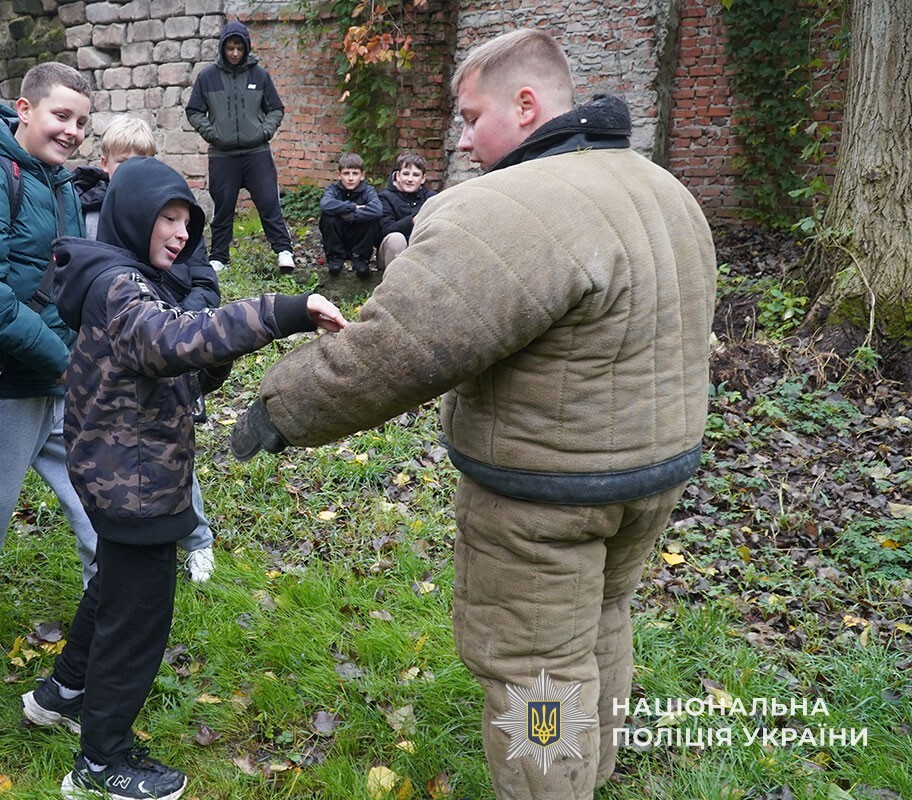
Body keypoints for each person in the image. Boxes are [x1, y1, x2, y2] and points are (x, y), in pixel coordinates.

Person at [229, 29, 716, 800]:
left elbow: (398, 348)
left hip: (546, 495)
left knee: (537, 672)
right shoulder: (661, 188)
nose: (460, 140)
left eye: (470, 117)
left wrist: (282, 407)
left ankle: (553, 787)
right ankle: (591, 771)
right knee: (602, 618)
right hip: (656, 472)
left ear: (525, 105)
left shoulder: (516, 206)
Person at [23, 155, 347, 800]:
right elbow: (169, 344)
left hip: (126, 472)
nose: (180, 233)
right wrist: (283, 311)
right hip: (136, 481)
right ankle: (101, 763)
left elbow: (175, 373)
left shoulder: (127, 279)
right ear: (133, 214)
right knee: (138, 621)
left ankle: (61, 694)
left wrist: (213, 355)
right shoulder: (120, 285)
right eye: (167, 218)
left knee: (115, 590)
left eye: (187, 222)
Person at [0, 62, 97, 608]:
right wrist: (60, 360)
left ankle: (109, 620)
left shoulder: (59, 180)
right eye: (61, 116)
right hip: (4, 387)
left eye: (81, 122)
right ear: (24, 110)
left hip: (60, 377)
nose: (72, 132)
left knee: (102, 498)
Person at [73, 115, 220, 582]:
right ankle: (107, 567)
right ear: (105, 164)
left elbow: (204, 282)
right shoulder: (95, 226)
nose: (180, 232)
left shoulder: (174, 223)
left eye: (144, 161)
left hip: (174, 350)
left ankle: (195, 539)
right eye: (124, 162)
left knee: (171, 453)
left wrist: (183, 322)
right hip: (126, 370)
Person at [185, 20, 295, 273]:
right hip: (222, 155)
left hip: (257, 153)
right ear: (222, 48)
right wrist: (212, 134)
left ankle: (284, 251)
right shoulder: (207, 77)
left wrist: (264, 132)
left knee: (269, 202)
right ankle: (219, 258)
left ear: (246, 48)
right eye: (230, 48)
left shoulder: (259, 75)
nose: (235, 53)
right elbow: (194, 111)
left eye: (239, 48)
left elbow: (276, 109)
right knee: (223, 207)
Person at [318, 152, 382, 278]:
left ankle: (360, 258)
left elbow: (377, 210)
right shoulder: (333, 189)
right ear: (339, 175)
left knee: (371, 219)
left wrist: (350, 216)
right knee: (328, 216)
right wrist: (353, 207)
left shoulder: (368, 191)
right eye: (346, 173)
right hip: (338, 236)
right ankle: (335, 257)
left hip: (359, 237)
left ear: (362, 175)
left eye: (355, 173)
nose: (351, 178)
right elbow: (325, 204)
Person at [376, 151, 435, 272]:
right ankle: (396, 282)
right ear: (398, 176)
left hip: (421, 251)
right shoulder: (385, 197)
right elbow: (386, 230)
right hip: (390, 252)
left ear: (423, 179)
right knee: (396, 239)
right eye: (406, 174)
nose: (410, 179)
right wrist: (412, 221)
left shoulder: (432, 198)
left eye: (416, 175)